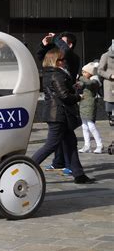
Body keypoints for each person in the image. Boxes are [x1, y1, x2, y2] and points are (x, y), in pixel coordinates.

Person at [32, 48, 95, 184]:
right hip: (59, 115)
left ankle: (79, 175)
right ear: (54, 61)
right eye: (61, 59)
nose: (64, 61)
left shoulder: (51, 74)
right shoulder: (57, 74)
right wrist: (78, 97)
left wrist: (74, 88)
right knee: (51, 144)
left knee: (71, 143)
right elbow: (64, 96)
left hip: (59, 114)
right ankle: (27, 166)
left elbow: (63, 91)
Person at [36, 31, 80, 172]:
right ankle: (29, 164)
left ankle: (76, 171)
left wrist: (55, 38)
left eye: (62, 41)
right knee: (55, 142)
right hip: (59, 107)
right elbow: (44, 58)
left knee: (68, 141)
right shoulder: (55, 71)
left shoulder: (72, 58)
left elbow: (64, 52)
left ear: (70, 44)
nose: (59, 44)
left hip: (63, 107)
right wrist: (45, 46)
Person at [76, 62, 103, 154]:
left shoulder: (94, 80)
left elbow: (89, 83)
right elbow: (80, 85)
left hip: (90, 106)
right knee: (84, 126)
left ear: (90, 72)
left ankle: (99, 145)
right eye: (82, 72)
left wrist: (80, 77)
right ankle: (87, 145)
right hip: (83, 105)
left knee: (91, 126)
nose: (83, 73)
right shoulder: (85, 80)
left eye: (84, 72)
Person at [97, 44, 114, 126]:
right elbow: (100, 70)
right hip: (110, 84)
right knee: (111, 107)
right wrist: (110, 75)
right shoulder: (105, 56)